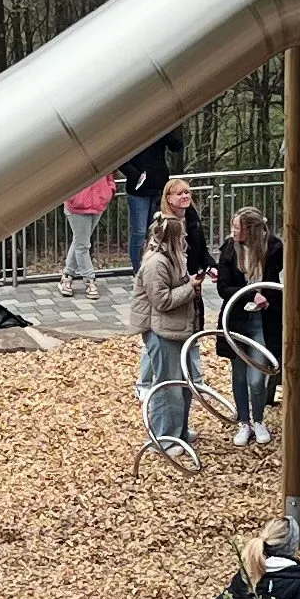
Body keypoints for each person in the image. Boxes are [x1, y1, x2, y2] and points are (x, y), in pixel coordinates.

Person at [130, 175, 213, 458]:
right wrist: (191, 288)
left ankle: (179, 431)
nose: (187, 242)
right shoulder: (156, 262)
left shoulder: (174, 257)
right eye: (183, 239)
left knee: (185, 384)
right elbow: (161, 300)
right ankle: (163, 438)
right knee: (168, 388)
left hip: (179, 329)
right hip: (163, 331)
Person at [217, 203, 284, 445]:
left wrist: (268, 296)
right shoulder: (229, 249)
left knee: (257, 377)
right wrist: (249, 294)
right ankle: (243, 422)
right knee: (239, 374)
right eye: (233, 226)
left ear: (252, 231)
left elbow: (279, 282)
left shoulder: (274, 248)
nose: (233, 231)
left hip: (263, 321)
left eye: (238, 228)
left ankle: (258, 419)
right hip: (238, 319)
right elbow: (223, 287)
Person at [120, 135, 181, 268]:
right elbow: (120, 159)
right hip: (138, 190)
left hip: (159, 187)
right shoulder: (131, 131)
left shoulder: (160, 129)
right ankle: (138, 270)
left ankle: (153, 268)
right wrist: (136, 175)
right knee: (139, 232)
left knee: (156, 232)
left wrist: (173, 128)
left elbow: (176, 146)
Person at [61, 168, 120, 292]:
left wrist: (109, 190)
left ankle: (67, 276)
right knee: (82, 245)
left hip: (97, 203)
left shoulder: (100, 153)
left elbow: (109, 173)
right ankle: (89, 280)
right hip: (77, 206)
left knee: (80, 242)